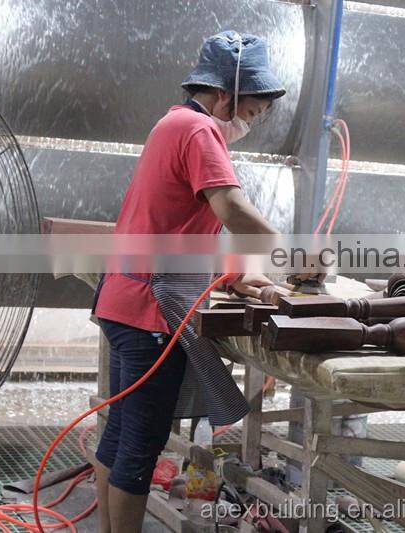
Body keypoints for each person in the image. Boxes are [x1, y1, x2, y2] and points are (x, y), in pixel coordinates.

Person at [90, 31, 312, 532]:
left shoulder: (171, 124)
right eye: (251, 111)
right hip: (150, 309)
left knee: (118, 439)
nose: (250, 122)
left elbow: (177, 225)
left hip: (124, 298)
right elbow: (230, 207)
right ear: (225, 95)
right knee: (138, 451)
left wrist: (231, 275)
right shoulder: (198, 130)